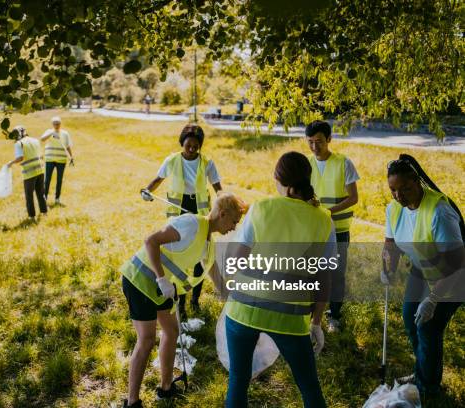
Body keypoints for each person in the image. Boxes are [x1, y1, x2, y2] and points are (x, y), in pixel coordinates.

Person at [224, 151, 336, 408]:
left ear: (280, 180)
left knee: (238, 380)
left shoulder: (261, 208)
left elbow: (234, 259)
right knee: (309, 386)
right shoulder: (323, 221)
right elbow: (324, 277)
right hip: (290, 315)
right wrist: (317, 322)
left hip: (243, 309)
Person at [121, 192, 247, 408]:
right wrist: (161, 279)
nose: (234, 227)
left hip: (162, 288)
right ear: (223, 214)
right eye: (234, 221)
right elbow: (151, 241)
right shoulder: (191, 224)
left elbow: (215, 274)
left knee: (172, 331)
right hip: (141, 279)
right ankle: (132, 401)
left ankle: (166, 388)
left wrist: (234, 296)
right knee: (147, 339)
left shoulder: (208, 243)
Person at [382, 154, 464, 397]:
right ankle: (423, 372)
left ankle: (428, 386)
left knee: (427, 328)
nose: (399, 196)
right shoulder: (394, 209)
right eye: (393, 190)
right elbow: (390, 244)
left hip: (453, 278)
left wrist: (433, 299)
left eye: (405, 188)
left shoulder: (440, 212)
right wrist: (387, 267)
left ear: (417, 182)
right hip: (423, 270)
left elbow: (457, 264)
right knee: (410, 318)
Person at [141, 124, 222, 318]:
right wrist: (147, 191)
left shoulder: (207, 163)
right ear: (182, 144)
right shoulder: (172, 160)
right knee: (180, 256)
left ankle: (195, 300)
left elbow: (218, 187)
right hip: (178, 213)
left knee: (200, 255)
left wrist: (225, 201)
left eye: (196, 146)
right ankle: (181, 304)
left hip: (200, 212)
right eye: (189, 146)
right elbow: (158, 179)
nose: (192, 150)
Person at [305, 120, 359, 332]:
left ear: (329, 139)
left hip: (339, 229)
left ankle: (334, 316)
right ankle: (311, 314)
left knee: (336, 274)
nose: (314, 146)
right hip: (313, 230)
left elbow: (353, 198)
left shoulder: (343, 163)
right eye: (310, 142)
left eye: (319, 141)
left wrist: (327, 212)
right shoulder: (306, 164)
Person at [6, 125, 47, 219]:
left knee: (29, 196)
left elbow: (20, 158)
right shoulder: (35, 140)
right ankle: (44, 212)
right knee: (41, 193)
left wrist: (10, 163)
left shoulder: (19, 143)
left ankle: (31, 216)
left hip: (29, 173)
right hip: (40, 170)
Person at [40, 116, 74, 206]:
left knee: (59, 180)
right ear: (52, 124)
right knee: (47, 180)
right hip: (49, 159)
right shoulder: (48, 131)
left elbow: (67, 146)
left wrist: (71, 156)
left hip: (61, 160)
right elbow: (42, 139)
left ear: (60, 124)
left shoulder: (65, 133)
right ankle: (45, 197)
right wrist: (51, 132)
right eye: (54, 123)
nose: (56, 125)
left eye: (58, 123)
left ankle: (57, 198)